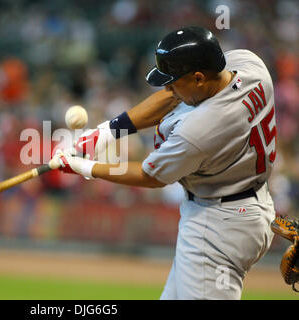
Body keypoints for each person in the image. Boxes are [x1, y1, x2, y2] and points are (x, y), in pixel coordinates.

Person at [54, 26, 277, 299]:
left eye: (173, 80)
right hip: (245, 205)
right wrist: (107, 132)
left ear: (198, 78)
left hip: (219, 225)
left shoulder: (201, 128)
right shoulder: (250, 66)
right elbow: (172, 96)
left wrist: (85, 168)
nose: (168, 86)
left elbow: (151, 175)